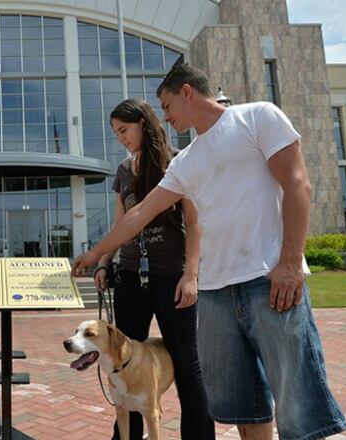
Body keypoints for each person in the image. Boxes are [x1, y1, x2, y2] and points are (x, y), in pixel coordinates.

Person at [73, 63, 346, 440]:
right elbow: (139, 213)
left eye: (167, 106)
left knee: (296, 405)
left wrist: (289, 263)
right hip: (216, 296)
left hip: (269, 281)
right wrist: (94, 254)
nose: (165, 118)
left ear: (187, 92)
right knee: (243, 406)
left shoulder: (258, 117)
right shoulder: (186, 161)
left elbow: (298, 184)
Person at [95, 98, 214, 440]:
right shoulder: (123, 171)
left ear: (143, 125)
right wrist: (105, 262)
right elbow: (122, 223)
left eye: (124, 130)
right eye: (115, 132)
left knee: (187, 365)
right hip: (131, 278)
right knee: (123, 361)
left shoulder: (179, 162)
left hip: (171, 278)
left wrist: (191, 275)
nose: (120, 137)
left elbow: (194, 223)